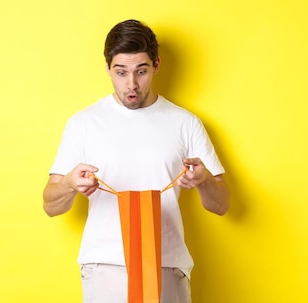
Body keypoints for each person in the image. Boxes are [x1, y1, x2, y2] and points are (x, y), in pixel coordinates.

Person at [42, 19, 229, 303]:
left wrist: (203, 180)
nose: (131, 84)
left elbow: (222, 205)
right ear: (108, 69)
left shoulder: (185, 123)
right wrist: (69, 183)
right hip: (105, 265)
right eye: (121, 72)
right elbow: (50, 205)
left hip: (167, 263)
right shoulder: (83, 123)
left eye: (141, 71)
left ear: (156, 65)